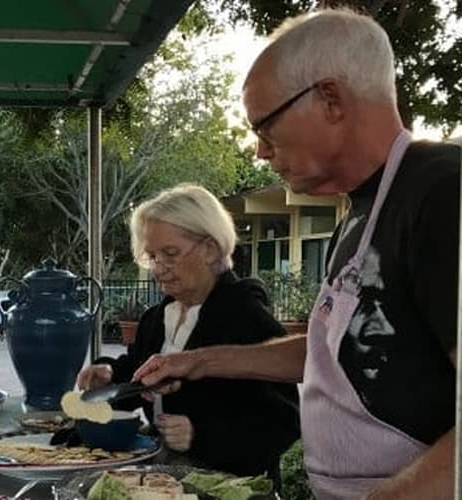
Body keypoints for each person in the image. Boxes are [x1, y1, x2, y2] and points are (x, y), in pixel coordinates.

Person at [134, 9, 461, 500]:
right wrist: (198, 362)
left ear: (330, 99)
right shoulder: (358, 212)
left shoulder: (442, 192)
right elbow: (332, 350)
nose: (260, 151)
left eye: (264, 126)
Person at [77, 183, 300, 484]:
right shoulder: (157, 319)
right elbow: (140, 376)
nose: (158, 268)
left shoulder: (246, 317)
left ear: (210, 249)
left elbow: (282, 422)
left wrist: (200, 434)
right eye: (152, 256)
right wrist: (110, 374)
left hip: (227, 488)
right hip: (162, 478)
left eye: (170, 254)